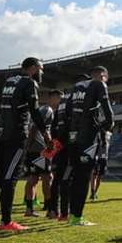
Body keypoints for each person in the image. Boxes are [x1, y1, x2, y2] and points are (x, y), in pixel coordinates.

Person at [0, 57, 50, 232]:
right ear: (32, 68)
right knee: (10, 178)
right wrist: (45, 133)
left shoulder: (8, 82)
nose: (42, 73)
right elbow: (34, 110)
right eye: (41, 69)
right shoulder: (29, 83)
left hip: (1, 135)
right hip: (16, 136)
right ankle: (6, 221)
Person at [67, 66, 114, 226]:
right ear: (103, 76)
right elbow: (107, 109)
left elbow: (67, 111)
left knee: (74, 176)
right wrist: (108, 125)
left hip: (73, 136)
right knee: (83, 177)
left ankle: (70, 213)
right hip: (87, 137)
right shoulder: (99, 84)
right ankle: (76, 216)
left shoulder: (77, 87)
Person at [23, 99, 55, 217]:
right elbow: (36, 127)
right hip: (40, 150)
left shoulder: (41, 110)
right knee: (47, 178)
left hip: (33, 150)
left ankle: (29, 209)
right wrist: (48, 143)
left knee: (33, 179)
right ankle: (50, 209)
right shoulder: (47, 109)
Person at [48, 88, 70, 220]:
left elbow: (53, 131)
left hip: (57, 148)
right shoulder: (61, 110)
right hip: (63, 148)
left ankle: (52, 210)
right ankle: (62, 212)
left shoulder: (56, 113)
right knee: (63, 181)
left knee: (56, 180)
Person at [90, 130, 111, 200]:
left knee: (98, 176)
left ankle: (95, 192)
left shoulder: (108, 134)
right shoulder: (96, 133)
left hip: (104, 157)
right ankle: (93, 192)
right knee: (94, 175)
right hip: (96, 156)